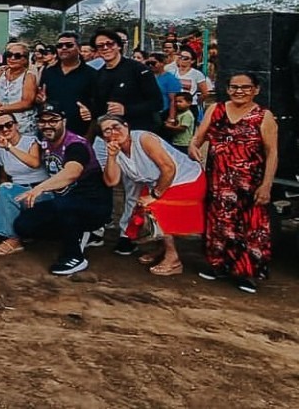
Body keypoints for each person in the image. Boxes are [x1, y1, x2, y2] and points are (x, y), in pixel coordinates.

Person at [188, 72, 278, 294]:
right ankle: (218, 266)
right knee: (218, 225)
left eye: (245, 87)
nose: (239, 91)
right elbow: (198, 137)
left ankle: (245, 273)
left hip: (249, 187)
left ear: (256, 90)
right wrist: (193, 147)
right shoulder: (216, 109)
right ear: (227, 89)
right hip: (218, 184)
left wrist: (266, 185)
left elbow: (272, 153)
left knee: (249, 229)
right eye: (234, 87)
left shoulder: (263, 116)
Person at [97, 114, 206, 277]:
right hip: (161, 183)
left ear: (126, 126)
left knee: (153, 207)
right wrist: (112, 157)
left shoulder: (144, 139)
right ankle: (162, 247)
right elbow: (111, 181)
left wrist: (155, 195)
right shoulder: (114, 148)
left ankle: (173, 259)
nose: (113, 132)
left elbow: (168, 168)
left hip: (186, 179)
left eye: (116, 127)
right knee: (140, 204)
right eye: (107, 130)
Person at [12, 103, 113, 276]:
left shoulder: (76, 145)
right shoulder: (46, 142)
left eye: (53, 120)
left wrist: (40, 188)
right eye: (43, 121)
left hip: (94, 204)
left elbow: (72, 172)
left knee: (63, 207)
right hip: (66, 201)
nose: (47, 125)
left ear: (64, 121)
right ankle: (79, 233)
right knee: (23, 225)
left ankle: (75, 256)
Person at [0, 112, 47, 256]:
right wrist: (1, 196)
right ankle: (23, 232)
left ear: (16, 125)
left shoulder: (30, 141)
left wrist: (9, 147)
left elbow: (35, 163)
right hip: (17, 191)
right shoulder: (0, 147)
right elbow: (4, 175)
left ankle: (14, 240)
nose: (5, 129)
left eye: (8, 125)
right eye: (0, 127)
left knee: (6, 190)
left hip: (38, 190)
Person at [89, 29, 163, 133]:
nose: (105, 48)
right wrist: (88, 111)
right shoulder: (99, 75)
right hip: (110, 133)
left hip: (139, 131)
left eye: (110, 44)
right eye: (100, 46)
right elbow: (98, 107)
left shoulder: (138, 69)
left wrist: (126, 110)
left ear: (119, 46)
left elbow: (157, 103)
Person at [37, 31, 96, 136]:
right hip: (51, 131)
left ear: (79, 48)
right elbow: (41, 98)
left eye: (69, 45)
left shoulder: (92, 74)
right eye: (60, 46)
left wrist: (90, 112)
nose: (64, 48)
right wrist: (40, 100)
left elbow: (98, 104)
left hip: (79, 131)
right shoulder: (48, 72)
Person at [0, 41, 37, 137]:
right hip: (1, 125)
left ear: (25, 59)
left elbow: (27, 102)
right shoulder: (0, 72)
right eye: (9, 55)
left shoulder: (28, 76)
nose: (12, 58)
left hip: (22, 126)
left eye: (17, 56)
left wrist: (3, 108)